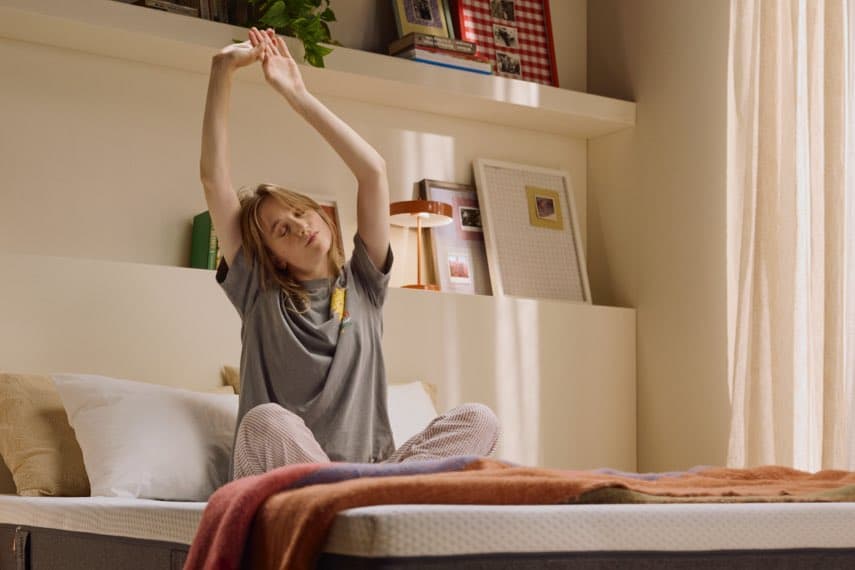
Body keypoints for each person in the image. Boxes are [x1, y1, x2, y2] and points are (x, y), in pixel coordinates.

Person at [200, 27, 500, 479]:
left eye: (303, 213)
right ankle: (356, 493)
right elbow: (213, 180)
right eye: (283, 228)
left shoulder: (364, 283)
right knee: (266, 422)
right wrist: (222, 69)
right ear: (273, 256)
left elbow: (373, 171)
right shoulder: (259, 292)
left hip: (372, 473)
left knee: (480, 420)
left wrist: (298, 94)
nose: (301, 226)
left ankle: (369, 492)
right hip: (284, 479)